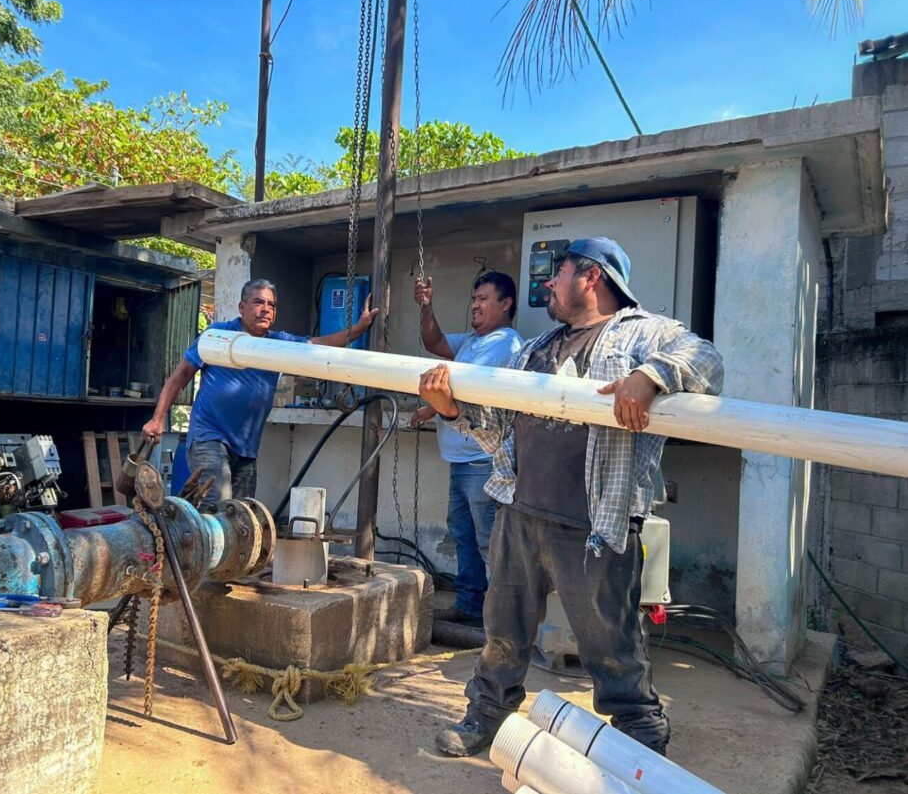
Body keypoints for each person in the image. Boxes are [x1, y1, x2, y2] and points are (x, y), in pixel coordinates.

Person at [418, 237, 724, 758]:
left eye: (557, 272)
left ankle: (640, 739)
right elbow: (497, 429)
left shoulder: (645, 333)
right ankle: (486, 716)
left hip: (595, 521)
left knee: (611, 644)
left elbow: (708, 362)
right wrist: (450, 409)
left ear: (591, 277)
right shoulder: (539, 348)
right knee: (502, 633)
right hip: (520, 509)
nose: (548, 284)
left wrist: (651, 377)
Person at [142, 278, 377, 506]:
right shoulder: (218, 335)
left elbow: (317, 346)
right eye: (258, 302)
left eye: (271, 305)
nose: (265, 309)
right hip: (209, 437)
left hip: (246, 448)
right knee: (216, 505)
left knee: (241, 516)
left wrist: (357, 330)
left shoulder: (278, 344)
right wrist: (158, 418)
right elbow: (180, 376)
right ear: (242, 307)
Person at [410, 271, 522, 627]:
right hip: (461, 460)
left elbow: (461, 385)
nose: (475, 305)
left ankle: (504, 620)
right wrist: (426, 307)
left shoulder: (505, 342)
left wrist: (430, 406)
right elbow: (434, 342)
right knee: (464, 537)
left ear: (506, 305)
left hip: (484, 460)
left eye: (484, 299)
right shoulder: (474, 341)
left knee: (490, 541)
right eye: (474, 299)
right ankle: (471, 606)